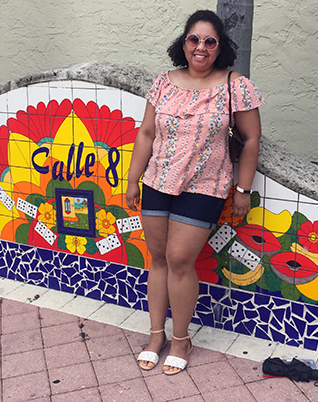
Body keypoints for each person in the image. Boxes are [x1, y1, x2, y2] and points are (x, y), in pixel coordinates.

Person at [126, 9, 264, 375]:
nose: (200, 47)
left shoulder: (236, 85)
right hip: (157, 182)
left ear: (220, 48)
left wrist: (243, 188)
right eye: (193, 39)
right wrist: (132, 178)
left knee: (179, 260)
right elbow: (146, 133)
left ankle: (181, 338)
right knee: (156, 259)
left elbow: (251, 139)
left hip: (204, 187)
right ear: (183, 44)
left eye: (209, 41)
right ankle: (156, 335)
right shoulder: (163, 82)